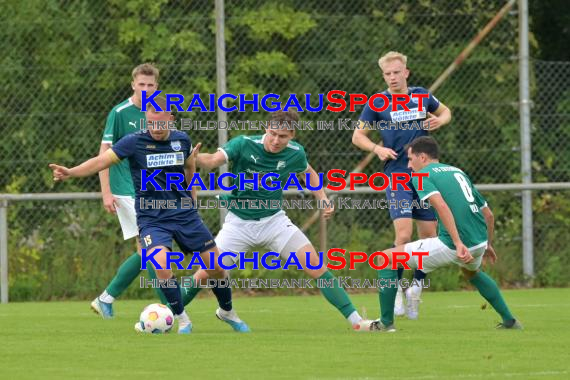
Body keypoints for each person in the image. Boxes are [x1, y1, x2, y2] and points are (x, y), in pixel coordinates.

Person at [49, 96, 248, 334]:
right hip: (152, 219)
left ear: (170, 119)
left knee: (216, 266)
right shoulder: (133, 142)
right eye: (150, 122)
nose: (154, 127)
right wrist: (71, 172)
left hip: (185, 215)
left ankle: (227, 311)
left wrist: (193, 195)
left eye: (159, 123)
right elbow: (101, 161)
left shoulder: (182, 140)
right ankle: (182, 319)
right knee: (162, 264)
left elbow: (189, 166)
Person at [183, 109, 376, 332]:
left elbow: (308, 173)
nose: (276, 140)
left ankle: (356, 322)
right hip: (238, 223)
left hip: (274, 222)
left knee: (315, 266)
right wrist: (194, 157)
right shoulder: (244, 144)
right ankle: (169, 313)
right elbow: (213, 160)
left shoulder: (295, 153)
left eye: (282, 136)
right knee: (205, 273)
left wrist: (322, 198)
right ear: (267, 128)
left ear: (292, 134)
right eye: (273, 133)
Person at [371, 136, 522, 331]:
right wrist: (488, 245)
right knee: (472, 272)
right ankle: (510, 321)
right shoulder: (457, 171)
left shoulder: (421, 175)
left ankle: (385, 323)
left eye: (410, 159)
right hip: (478, 242)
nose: (408, 165)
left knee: (386, 258)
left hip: (454, 244)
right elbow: (489, 214)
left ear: (422, 158)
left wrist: (458, 242)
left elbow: (441, 206)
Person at [352, 51, 452, 319]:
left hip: (424, 174)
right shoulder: (377, 102)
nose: (393, 77)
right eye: (387, 74)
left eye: (397, 72)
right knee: (404, 236)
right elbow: (358, 135)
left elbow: (446, 112)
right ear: (383, 76)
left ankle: (415, 287)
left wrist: (439, 120)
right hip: (397, 174)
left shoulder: (421, 95)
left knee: (430, 238)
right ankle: (396, 289)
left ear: (406, 72)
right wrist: (377, 149)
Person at [91, 63, 168, 318]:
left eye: (151, 85)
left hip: (150, 192)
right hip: (126, 190)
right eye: (141, 84)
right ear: (133, 84)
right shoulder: (120, 112)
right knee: (155, 249)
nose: (146, 89)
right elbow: (104, 155)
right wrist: (106, 192)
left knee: (147, 251)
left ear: (156, 86)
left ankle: (106, 298)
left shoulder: (158, 112)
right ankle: (171, 309)